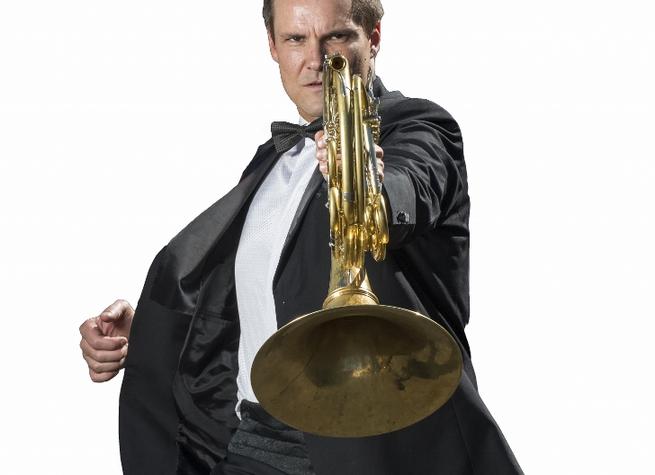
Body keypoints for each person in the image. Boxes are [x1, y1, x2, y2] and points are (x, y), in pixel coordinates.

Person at [79, 0, 524, 473]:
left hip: (375, 449)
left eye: (335, 37)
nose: (315, 59)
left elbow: (413, 187)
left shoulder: (419, 127)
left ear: (372, 38)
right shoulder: (271, 164)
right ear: (272, 46)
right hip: (255, 446)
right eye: (295, 39)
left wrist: (367, 184)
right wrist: (151, 333)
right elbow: (253, 301)